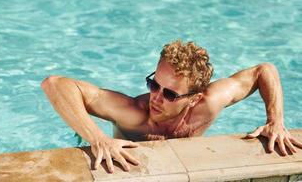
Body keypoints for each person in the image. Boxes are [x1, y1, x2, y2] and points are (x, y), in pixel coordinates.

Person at [41, 40, 301, 173]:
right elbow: (55, 84)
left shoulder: (208, 104)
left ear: (194, 99)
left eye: (170, 94)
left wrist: (275, 121)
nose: (155, 97)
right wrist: (97, 138)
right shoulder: (133, 114)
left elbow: (263, 71)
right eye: (154, 84)